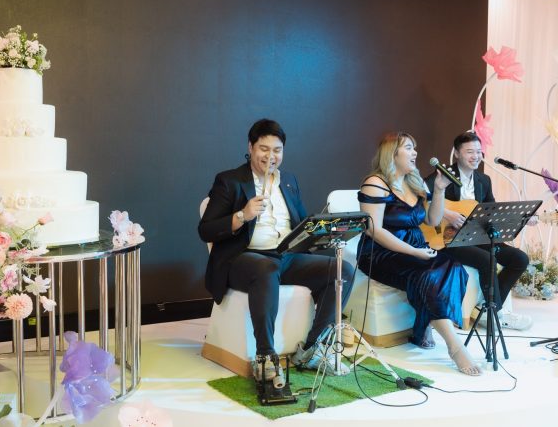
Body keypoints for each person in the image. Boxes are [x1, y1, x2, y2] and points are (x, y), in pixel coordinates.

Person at [198, 119, 354, 381]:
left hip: (285, 257)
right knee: (266, 267)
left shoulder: (289, 181)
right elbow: (206, 230)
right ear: (250, 147)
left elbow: (302, 222)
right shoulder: (229, 181)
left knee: (342, 269)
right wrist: (242, 215)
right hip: (243, 260)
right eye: (264, 149)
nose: (271, 156)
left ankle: (312, 349)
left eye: (277, 150)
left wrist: (318, 233)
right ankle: (266, 357)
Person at [358, 132, 481, 375]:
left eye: (414, 148)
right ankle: (455, 346)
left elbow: (433, 220)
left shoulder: (414, 181)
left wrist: (439, 190)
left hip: (415, 246)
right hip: (381, 252)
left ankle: (425, 321)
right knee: (428, 273)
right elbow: (374, 230)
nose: (415, 153)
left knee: (452, 266)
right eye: (408, 148)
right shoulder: (375, 183)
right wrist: (414, 251)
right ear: (392, 153)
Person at [425, 132, 531, 330]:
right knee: (487, 259)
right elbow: (420, 200)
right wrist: (447, 213)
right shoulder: (442, 176)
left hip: (474, 235)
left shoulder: (484, 180)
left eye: (478, 152)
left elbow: (491, 211)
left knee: (520, 259)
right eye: (469, 152)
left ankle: (488, 308)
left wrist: (521, 218)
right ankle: (493, 315)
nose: (476, 156)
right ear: (457, 153)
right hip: (446, 239)